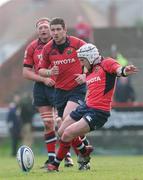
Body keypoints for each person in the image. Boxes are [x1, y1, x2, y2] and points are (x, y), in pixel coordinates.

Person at [46, 43, 138, 171]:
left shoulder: (106, 62)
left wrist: (125, 71)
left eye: (82, 60)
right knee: (61, 131)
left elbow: (118, 70)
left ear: (90, 57)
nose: (81, 64)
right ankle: (84, 150)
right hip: (86, 106)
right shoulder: (88, 70)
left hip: (98, 112)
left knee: (67, 134)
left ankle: (54, 165)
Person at [39, 17, 92, 170]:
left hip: (76, 89)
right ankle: (84, 152)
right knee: (63, 127)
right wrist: (49, 71)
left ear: (64, 30)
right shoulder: (48, 48)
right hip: (59, 91)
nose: (54, 33)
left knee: (65, 125)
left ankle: (55, 164)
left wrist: (84, 75)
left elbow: (94, 60)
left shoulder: (77, 43)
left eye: (57, 29)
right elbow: (40, 70)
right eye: (52, 30)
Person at [23, 17, 73, 168]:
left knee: (62, 122)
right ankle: (51, 158)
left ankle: (67, 156)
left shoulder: (59, 44)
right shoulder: (32, 47)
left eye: (46, 27)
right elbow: (26, 72)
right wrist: (43, 79)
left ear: (51, 29)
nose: (43, 30)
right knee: (48, 123)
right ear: (37, 31)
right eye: (40, 28)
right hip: (41, 87)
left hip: (59, 86)